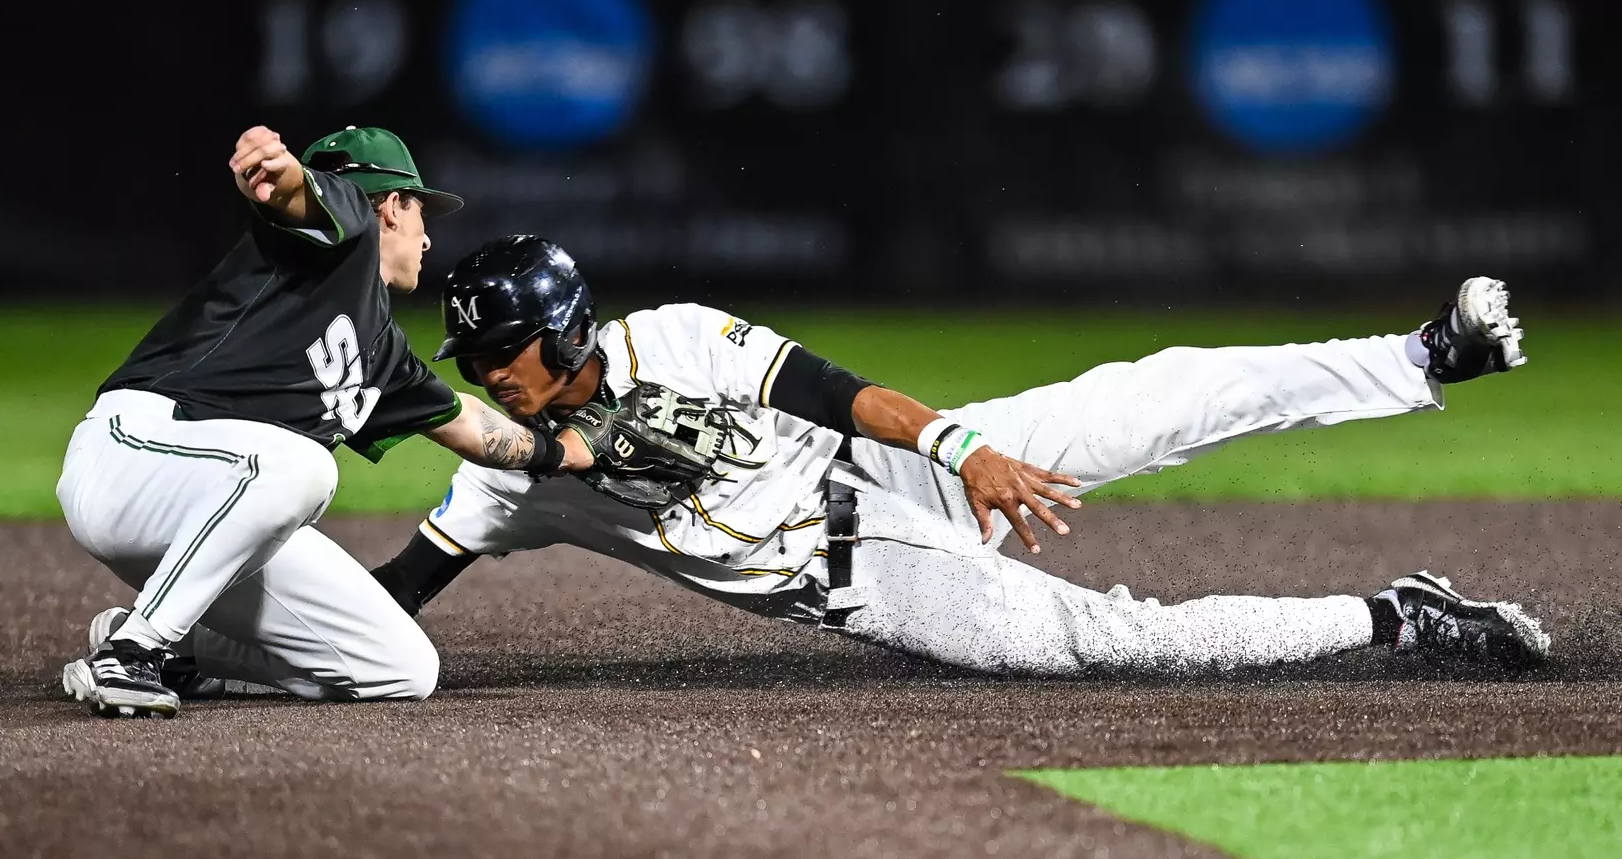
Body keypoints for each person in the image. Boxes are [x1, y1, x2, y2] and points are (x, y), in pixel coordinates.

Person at [370, 234, 1550, 679]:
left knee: (1163, 390)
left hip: (895, 470)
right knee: (1107, 642)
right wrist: (260, 644)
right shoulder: (502, 474)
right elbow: (397, 597)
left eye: (503, 348)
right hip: (861, 576)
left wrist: (964, 444)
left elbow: (838, 393)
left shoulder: (671, 336)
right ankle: (1400, 615)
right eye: (473, 358)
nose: (487, 371)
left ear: (565, 327)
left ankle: (1425, 355)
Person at [57, 130, 591, 718]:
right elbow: (300, 197)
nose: (427, 235)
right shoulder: (343, 235)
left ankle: (181, 645)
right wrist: (277, 173)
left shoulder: (380, 351)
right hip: (132, 460)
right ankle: (135, 653)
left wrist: (569, 452)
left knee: (402, 666)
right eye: (418, 210)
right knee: (304, 465)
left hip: (212, 512)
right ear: (390, 206)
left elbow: (470, 425)